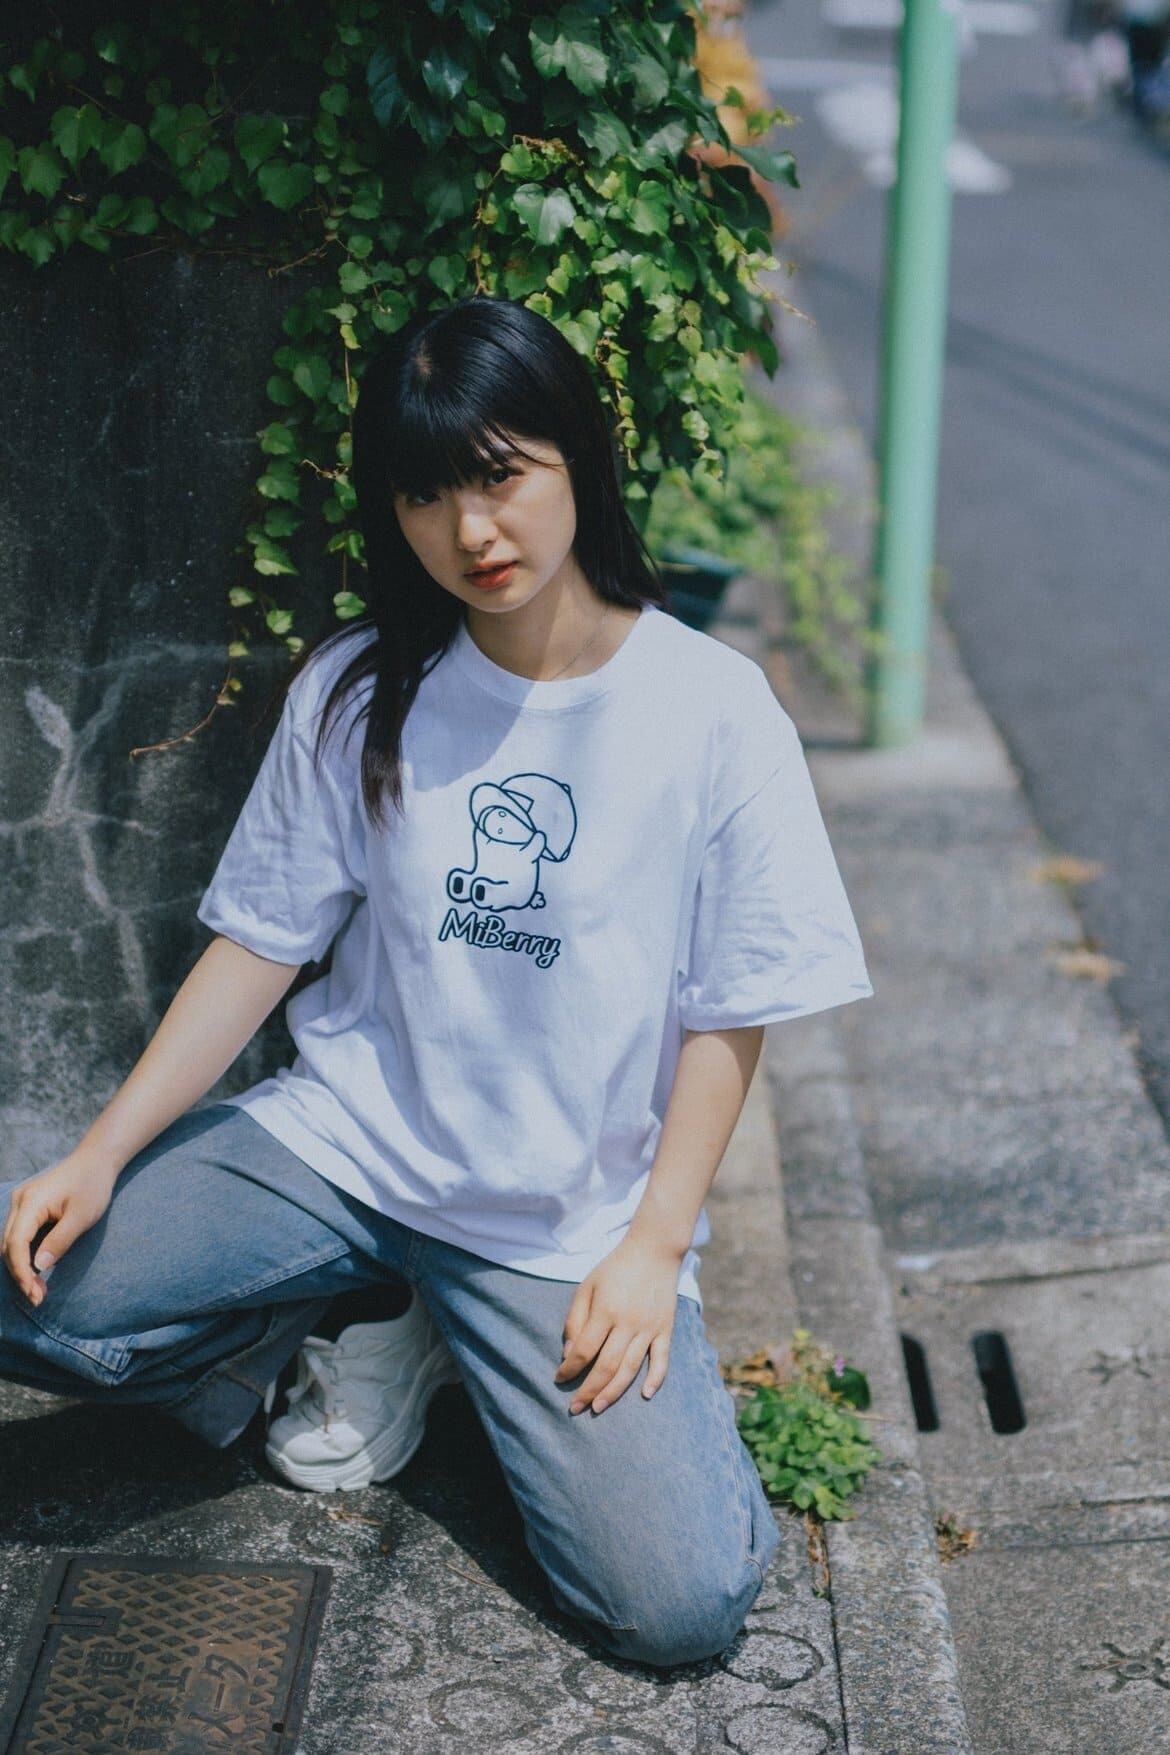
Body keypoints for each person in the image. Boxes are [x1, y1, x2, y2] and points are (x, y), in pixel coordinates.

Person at [0, 294, 873, 1669]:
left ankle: (445, 1333)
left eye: (500, 474)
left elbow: (731, 1008)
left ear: (578, 457)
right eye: (425, 494)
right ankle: (342, 1321)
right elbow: (262, 943)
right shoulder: (362, 687)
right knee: (26, 1290)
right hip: (343, 1151)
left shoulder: (711, 709)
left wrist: (651, 1250)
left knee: (680, 1607)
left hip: (553, 1221)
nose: (472, 529)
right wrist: (102, 1154)